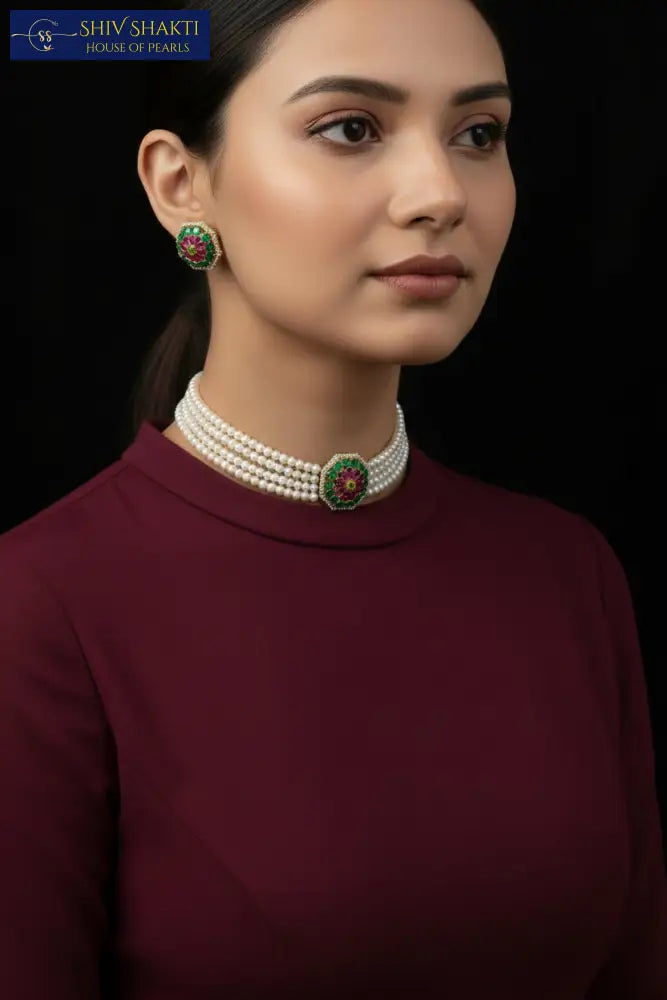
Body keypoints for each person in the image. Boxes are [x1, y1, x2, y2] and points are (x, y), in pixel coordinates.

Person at [1, 0, 665, 996]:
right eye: (351, 127)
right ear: (182, 185)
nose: (441, 192)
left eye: (477, 133)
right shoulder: (41, 607)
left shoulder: (567, 573)